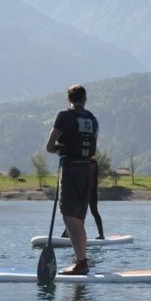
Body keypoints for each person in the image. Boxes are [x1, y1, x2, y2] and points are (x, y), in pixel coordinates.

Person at [45, 84, 99, 275]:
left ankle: (81, 263)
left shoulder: (63, 116)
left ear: (69, 99)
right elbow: (92, 145)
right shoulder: (93, 119)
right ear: (85, 99)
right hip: (88, 170)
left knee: (69, 216)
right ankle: (81, 261)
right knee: (78, 218)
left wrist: (60, 149)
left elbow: (49, 147)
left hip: (71, 169)